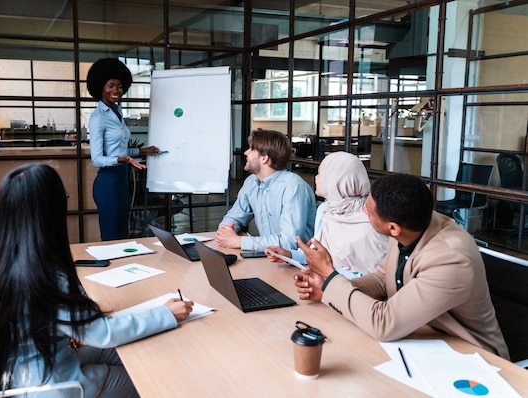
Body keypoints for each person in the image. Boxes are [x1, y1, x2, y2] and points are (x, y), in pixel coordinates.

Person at [0, 163, 194, 398]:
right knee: (152, 375)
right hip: (55, 385)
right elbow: (100, 333)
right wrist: (165, 314)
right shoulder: (40, 273)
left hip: (32, 369)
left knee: (136, 351)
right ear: (49, 213)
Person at [293, 173, 509, 359]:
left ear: (393, 228)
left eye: (368, 210)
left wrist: (330, 276)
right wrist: (327, 289)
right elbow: (382, 279)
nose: (364, 212)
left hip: (474, 359)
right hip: (426, 340)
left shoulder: (451, 259)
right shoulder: (410, 224)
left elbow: (383, 323)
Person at [265, 151, 388, 278]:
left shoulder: (373, 221)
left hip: (353, 293)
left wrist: (329, 276)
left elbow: (379, 280)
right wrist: (289, 255)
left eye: (321, 173)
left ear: (336, 179)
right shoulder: (325, 210)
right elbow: (316, 256)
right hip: (322, 285)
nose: (316, 178)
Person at [86, 58, 160, 240]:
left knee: (122, 234)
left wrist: (143, 151)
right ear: (100, 86)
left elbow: (120, 149)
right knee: (111, 237)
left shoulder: (117, 112)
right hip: (107, 184)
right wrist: (123, 159)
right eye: (111, 85)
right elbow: (96, 159)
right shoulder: (97, 118)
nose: (116, 91)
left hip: (122, 183)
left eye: (119, 86)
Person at [216, 129, 315, 251]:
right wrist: (225, 231)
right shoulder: (251, 182)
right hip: (270, 257)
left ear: (264, 158)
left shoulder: (293, 188)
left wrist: (239, 241)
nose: (246, 152)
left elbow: (290, 243)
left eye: (251, 149)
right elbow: (235, 216)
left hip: (298, 264)